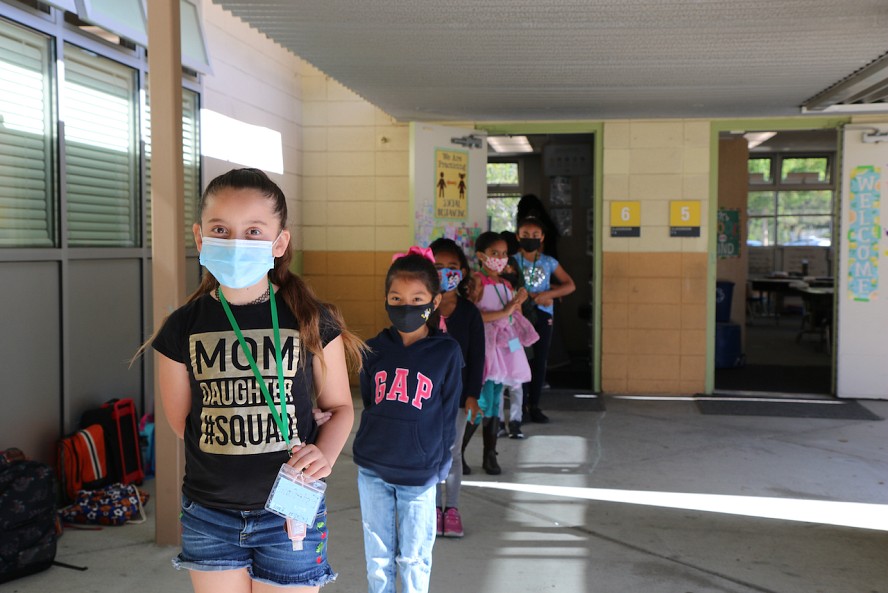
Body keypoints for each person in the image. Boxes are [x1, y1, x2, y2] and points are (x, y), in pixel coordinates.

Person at [150, 168, 365, 593]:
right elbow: (182, 423)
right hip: (209, 515)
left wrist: (325, 454)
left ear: (279, 242)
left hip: (290, 511)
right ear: (200, 238)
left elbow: (341, 408)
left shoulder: (311, 319)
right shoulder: (181, 327)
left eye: (253, 231)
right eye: (220, 229)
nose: (235, 242)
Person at [352, 247, 463, 593]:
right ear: (386, 300)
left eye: (417, 298)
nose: (406, 306)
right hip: (372, 468)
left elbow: (449, 412)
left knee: (414, 560)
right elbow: (370, 402)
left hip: (419, 474)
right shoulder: (373, 349)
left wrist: (442, 463)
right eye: (397, 298)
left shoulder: (446, 352)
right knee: (378, 560)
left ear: (435, 300)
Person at [466, 231, 537, 475]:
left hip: (504, 349)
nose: (500, 258)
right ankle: (459, 452)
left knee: (496, 401)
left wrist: (517, 302)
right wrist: (506, 310)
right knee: (482, 401)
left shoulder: (506, 284)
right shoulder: (476, 281)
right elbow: (474, 317)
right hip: (485, 349)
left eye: (505, 254)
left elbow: (512, 316)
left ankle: (490, 455)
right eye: (494, 253)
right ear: (481, 256)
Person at [429, 237, 484, 538]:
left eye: (452, 267)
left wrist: (472, 395)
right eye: (438, 267)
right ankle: (434, 508)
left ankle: (452, 509)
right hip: (425, 397)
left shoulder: (469, 312)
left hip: (459, 398)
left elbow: (478, 357)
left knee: (452, 454)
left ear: (462, 271)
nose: (446, 272)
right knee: (431, 453)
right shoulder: (422, 308)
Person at [515, 216, 576, 424]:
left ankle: (535, 406)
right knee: (521, 359)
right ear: (518, 237)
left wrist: (550, 294)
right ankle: (520, 407)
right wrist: (532, 296)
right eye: (525, 235)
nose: (530, 238)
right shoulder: (512, 261)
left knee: (540, 361)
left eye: (534, 235)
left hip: (542, 315)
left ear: (542, 237)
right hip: (518, 317)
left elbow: (570, 285)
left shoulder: (549, 262)